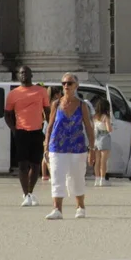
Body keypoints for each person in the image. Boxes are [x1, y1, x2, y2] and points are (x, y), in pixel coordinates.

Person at [44, 73, 95, 219]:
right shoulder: (56, 104)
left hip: (77, 147)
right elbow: (50, 126)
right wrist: (46, 146)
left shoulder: (82, 105)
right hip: (57, 146)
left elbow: (89, 128)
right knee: (57, 177)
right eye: (64, 83)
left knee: (77, 177)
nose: (66, 86)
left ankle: (80, 206)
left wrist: (92, 149)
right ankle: (57, 209)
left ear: (76, 86)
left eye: (70, 83)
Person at [5, 66, 50, 207]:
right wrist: (14, 130)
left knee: (36, 165)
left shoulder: (41, 91)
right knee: (22, 164)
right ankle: (26, 194)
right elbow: (7, 114)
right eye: (21, 73)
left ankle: (30, 192)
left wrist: (49, 127)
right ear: (18, 76)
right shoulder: (13, 94)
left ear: (31, 74)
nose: (24, 75)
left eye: (26, 72)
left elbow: (47, 111)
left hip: (37, 131)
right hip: (21, 132)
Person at [42, 86, 62, 180]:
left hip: (46, 126)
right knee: (52, 151)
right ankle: (51, 174)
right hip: (52, 126)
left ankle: (44, 174)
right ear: (56, 94)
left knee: (46, 152)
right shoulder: (56, 104)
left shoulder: (46, 102)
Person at [93, 98, 113, 187]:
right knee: (103, 161)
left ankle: (97, 180)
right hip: (105, 138)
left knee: (97, 161)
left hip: (97, 139)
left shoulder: (95, 117)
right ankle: (102, 179)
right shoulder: (106, 117)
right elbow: (109, 129)